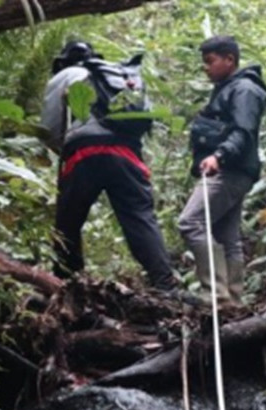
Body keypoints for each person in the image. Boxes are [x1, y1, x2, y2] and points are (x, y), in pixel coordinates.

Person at [41, 41, 177, 291]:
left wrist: (63, 146)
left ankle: (66, 284)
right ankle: (165, 283)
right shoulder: (118, 75)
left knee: (67, 222)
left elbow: (49, 129)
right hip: (126, 152)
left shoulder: (65, 76)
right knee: (139, 217)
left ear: (63, 62)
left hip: (83, 152)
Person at [178, 35, 266, 305]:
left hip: (229, 170)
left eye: (210, 61)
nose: (206, 68)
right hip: (235, 170)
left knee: (190, 222)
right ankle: (233, 299)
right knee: (226, 236)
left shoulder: (243, 89)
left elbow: (244, 131)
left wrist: (218, 155)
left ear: (230, 60)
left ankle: (215, 293)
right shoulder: (229, 88)